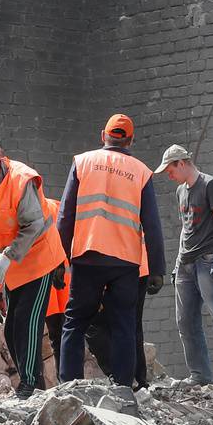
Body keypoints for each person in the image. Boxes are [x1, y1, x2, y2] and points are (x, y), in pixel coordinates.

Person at [57, 114, 166, 387]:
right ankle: (123, 385)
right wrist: (156, 269)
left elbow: (65, 216)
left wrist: (59, 260)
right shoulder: (141, 171)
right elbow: (152, 224)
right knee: (124, 325)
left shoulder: (82, 162)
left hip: (88, 255)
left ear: (102, 135)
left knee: (75, 321)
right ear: (131, 140)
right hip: (125, 261)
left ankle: (70, 384)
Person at [0, 135, 66, 398]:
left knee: (27, 322)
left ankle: (29, 386)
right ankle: (34, 386)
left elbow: (33, 224)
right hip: (11, 267)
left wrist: (6, 257)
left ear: (0, 155)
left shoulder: (21, 179)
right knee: (11, 327)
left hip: (39, 257)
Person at [162, 145, 213, 387]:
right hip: (185, 265)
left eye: (170, 169)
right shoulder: (180, 192)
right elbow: (185, 230)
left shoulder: (210, 185)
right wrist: (177, 264)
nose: (169, 175)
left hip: (208, 261)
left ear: (181, 163)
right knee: (185, 321)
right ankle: (199, 376)